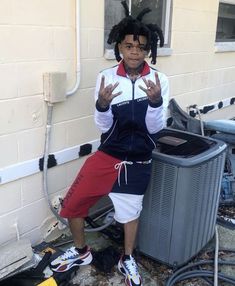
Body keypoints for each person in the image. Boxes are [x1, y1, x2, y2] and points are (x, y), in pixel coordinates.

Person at [50, 1, 169, 285]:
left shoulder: (159, 79)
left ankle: (127, 258)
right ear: (120, 47)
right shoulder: (105, 78)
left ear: (148, 50)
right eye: (129, 46)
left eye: (141, 47)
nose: (135, 52)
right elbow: (102, 127)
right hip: (107, 157)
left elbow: (156, 128)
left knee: (130, 214)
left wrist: (155, 102)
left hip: (138, 161)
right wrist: (102, 105)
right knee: (73, 206)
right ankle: (81, 252)